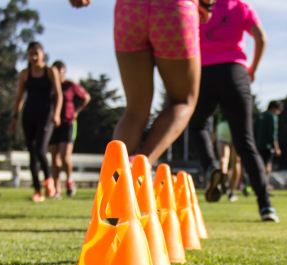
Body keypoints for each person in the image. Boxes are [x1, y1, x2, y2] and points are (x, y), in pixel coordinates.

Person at [67, 0, 209, 165]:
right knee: (182, 101)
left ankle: (115, 172)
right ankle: (139, 165)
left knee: (134, 111)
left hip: (130, 10)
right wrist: (208, 5)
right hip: (173, 11)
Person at [187, 0, 280, 222]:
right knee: (245, 143)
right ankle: (266, 206)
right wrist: (252, 69)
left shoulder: (197, 6)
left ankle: (210, 167)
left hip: (203, 73)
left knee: (197, 124)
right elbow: (261, 37)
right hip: (235, 73)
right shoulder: (239, 7)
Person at [11, 42, 63, 203]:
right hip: (29, 115)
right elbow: (19, 97)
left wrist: (57, 114)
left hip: (46, 115)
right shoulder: (25, 74)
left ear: (42, 54)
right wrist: (14, 116)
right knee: (32, 154)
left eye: (36, 53)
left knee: (40, 149)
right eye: (30, 54)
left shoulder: (50, 71)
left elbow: (58, 95)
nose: (33, 57)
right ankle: (37, 190)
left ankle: (49, 181)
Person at [49, 60, 91, 198]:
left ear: (64, 73)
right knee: (54, 157)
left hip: (68, 123)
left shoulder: (70, 85)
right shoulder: (50, 87)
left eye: (60, 73)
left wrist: (76, 111)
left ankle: (69, 180)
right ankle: (57, 189)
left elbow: (86, 97)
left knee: (64, 155)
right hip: (53, 124)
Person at [255, 100, 283, 180]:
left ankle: (258, 182)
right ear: (274, 108)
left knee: (259, 165)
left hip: (257, 145)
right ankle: (265, 183)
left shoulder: (260, 116)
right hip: (267, 146)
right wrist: (277, 148)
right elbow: (273, 134)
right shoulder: (272, 117)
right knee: (267, 165)